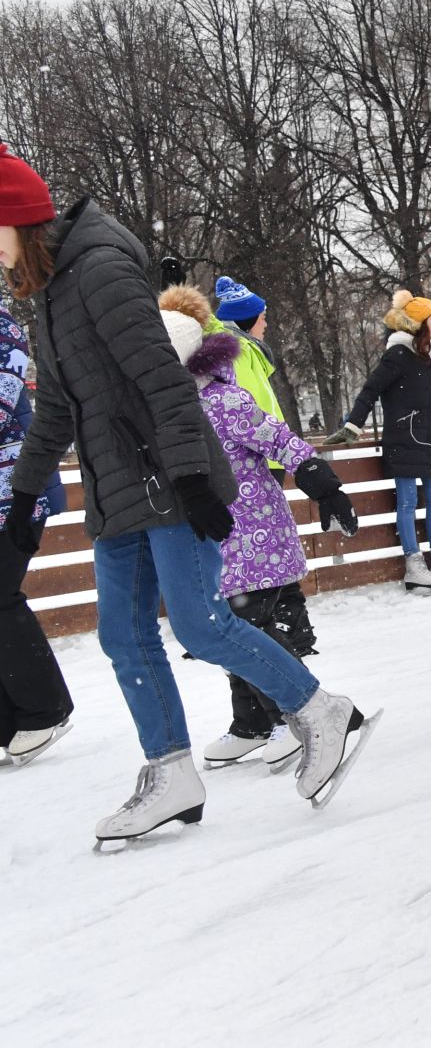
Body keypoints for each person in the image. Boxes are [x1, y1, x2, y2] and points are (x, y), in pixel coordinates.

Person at [0, 151, 376, 843]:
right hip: (118, 491)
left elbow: (168, 385)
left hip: (170, 483)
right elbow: (55, 404)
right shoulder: (49, 291)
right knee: (124, 636)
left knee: (200, 625)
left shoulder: (102, 273)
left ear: (16, 219)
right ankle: (171, 771)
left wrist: (196, 480)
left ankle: (319, 709)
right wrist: (24, 502)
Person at [158, 285, 360, 771]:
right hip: (218, 541)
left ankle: (295, 716)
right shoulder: (173, 410)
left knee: (254, 629)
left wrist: (322, 483)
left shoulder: (226, 401)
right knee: (230, 627)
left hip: (257, 535)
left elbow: (280, 438)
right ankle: (252, 723)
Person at [328, 292, 431, 592]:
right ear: (420, 323)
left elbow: (420, 401)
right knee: (407, 501)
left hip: (429, 439)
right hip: (404, 438)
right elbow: (370, 390)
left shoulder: (424, 356)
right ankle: (413, 565)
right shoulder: (397, 355)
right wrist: (353, 426)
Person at [0, 199, 71, 766]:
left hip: (16, 495)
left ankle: (44, 712)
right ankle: (10, 722)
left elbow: (2, 404)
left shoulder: (5, 334)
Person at [211, 276, 287, 423]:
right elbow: (253, 413)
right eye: (262, 318)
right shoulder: (241, 353)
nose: (265, 324)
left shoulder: (244, 350)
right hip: (262, 443)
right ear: (248, 321)